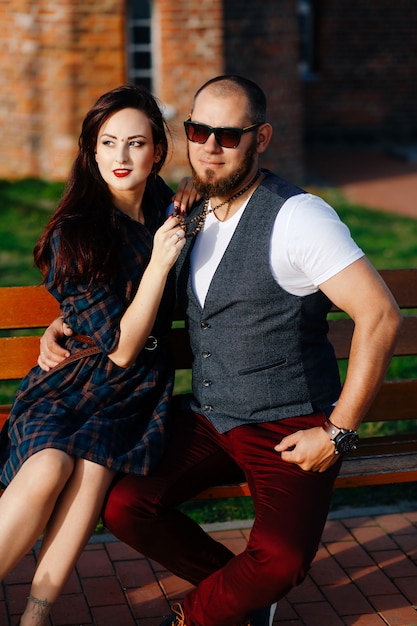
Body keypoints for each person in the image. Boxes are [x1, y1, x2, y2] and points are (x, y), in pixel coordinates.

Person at [39, 76, 402, 626]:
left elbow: (380, 315)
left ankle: (197, 615)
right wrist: (61, 322)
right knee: (125, 507)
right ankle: (243, 596)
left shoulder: (299, 218)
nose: (210, 145)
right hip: (210, 415)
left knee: (279, 560)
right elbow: (117, 290)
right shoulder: (187, 210)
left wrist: (338, 433)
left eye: (228, 135)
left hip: (290, 423)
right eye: (198, 130)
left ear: (261, 138)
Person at [0, 84, 190, 626]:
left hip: (130, 400)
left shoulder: (168, 209)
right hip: (69, 389)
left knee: (90, 471)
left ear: (157, 150)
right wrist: (157, 265)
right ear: (92, 150)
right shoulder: (75, 233)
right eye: (108, 143)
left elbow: (208, 185)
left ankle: (34, 618)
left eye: (136, 143)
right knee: (50, 468)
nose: (122, 157)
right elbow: (125, 347)